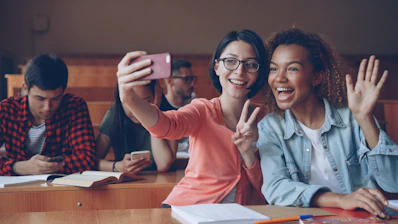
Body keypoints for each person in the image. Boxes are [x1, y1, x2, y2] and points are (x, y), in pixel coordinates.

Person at [116, 30, 268, 206]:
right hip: (189, 210)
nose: (240, 71)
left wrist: (248, 154)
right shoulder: (202, 110)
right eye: (231, 61)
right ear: (217, 66)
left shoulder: (265, 118)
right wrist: (129, 98)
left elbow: (266, 186)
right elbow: (167, 126)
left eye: (250, 64)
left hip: (238, 215)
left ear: (259, 72)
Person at [257, 28, 398, 218]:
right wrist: (341, 199)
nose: (279, 78)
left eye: (292, 68)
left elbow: (393, 182)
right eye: (274, 68)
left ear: (317, 77)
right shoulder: (270, 127)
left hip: (363, 219)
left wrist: (365, 118)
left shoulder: (352, 117)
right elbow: (275, 187)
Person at [0, 54, 96, 176]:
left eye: (56, 98)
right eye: (40, 98)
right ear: (25, 88)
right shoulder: (7, 110)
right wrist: (18, 167)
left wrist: (46, 167)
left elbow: (87, 158)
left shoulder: (74, 106)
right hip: (17, 189)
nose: (47, 107)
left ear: (64, 91)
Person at [95, 81, 177, 173]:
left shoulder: (170, 115)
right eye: (129, 103)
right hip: (127, 184)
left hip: (163, 183)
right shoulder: (114, 116)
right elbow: (93, 161)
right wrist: (117, 166)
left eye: (146, 102)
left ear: (156, 96)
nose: (136, 111)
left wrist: (153, 115)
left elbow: (163, 165)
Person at [160, 59, 197, 153]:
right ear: (170, 81)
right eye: (187, 79)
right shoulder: (159, 106)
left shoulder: (195, 103)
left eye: (193, 79)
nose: (192, 84)